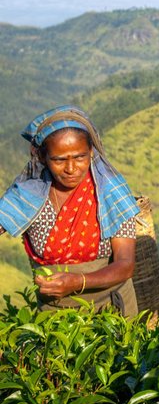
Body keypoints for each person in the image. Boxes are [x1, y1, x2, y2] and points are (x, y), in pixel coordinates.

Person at [0, 105, 140, 316]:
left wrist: (78, 282)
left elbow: (126, 265)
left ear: (91, 152)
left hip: (112, 311)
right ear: (42, 157)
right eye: (59, 160)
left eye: (79, 157)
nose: (71, 169)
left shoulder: (110, 193)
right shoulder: (28, 196)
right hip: (54, 315)